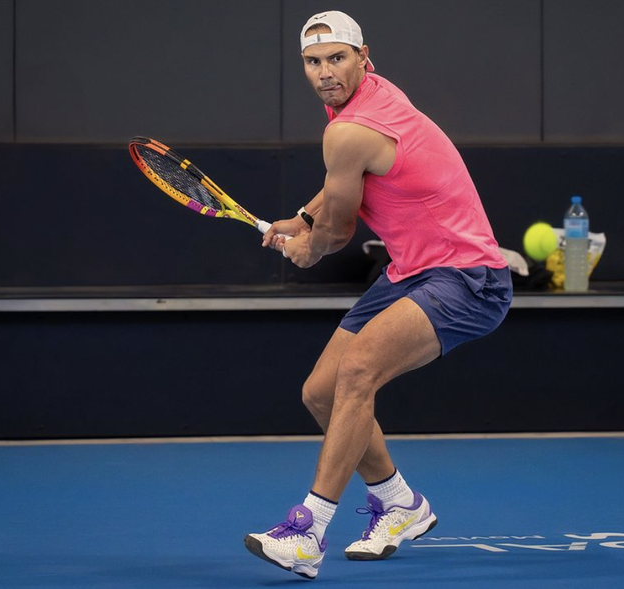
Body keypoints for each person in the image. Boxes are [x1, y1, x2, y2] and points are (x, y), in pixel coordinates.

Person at [245, 10, 512, 579]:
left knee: (358, 370)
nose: (325, 73)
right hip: (411, 270)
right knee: (320, 393)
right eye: (313, 63)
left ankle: (307, 530)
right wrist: (301, 217)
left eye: (337, 59)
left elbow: (338, 235)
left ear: (363, 57)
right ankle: (399, 505)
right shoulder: (364, 101)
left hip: (468, 277)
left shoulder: (346, 128)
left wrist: (308, 248)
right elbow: (348, 179)